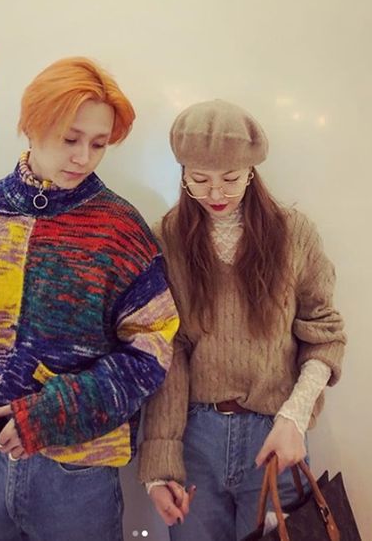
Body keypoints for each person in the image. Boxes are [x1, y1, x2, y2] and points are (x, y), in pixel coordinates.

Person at [0, 57, 179, 541]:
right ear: (33, 124)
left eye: (98, 144)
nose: (83, 157)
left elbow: (152, 347)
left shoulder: (120, 228)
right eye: (70, 138)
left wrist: (51, 413)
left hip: (77, 472)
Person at [138, 100, 346, 540]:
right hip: (195, 437)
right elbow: (168, 351)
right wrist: (160, 466)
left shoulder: (293, 233)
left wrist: (294, 418)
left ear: (252, 171)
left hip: (273, 434)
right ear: (182, 174)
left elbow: (324, 335)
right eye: (199, 179)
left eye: (230, 178)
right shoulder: (167, 238)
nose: (216, 194)